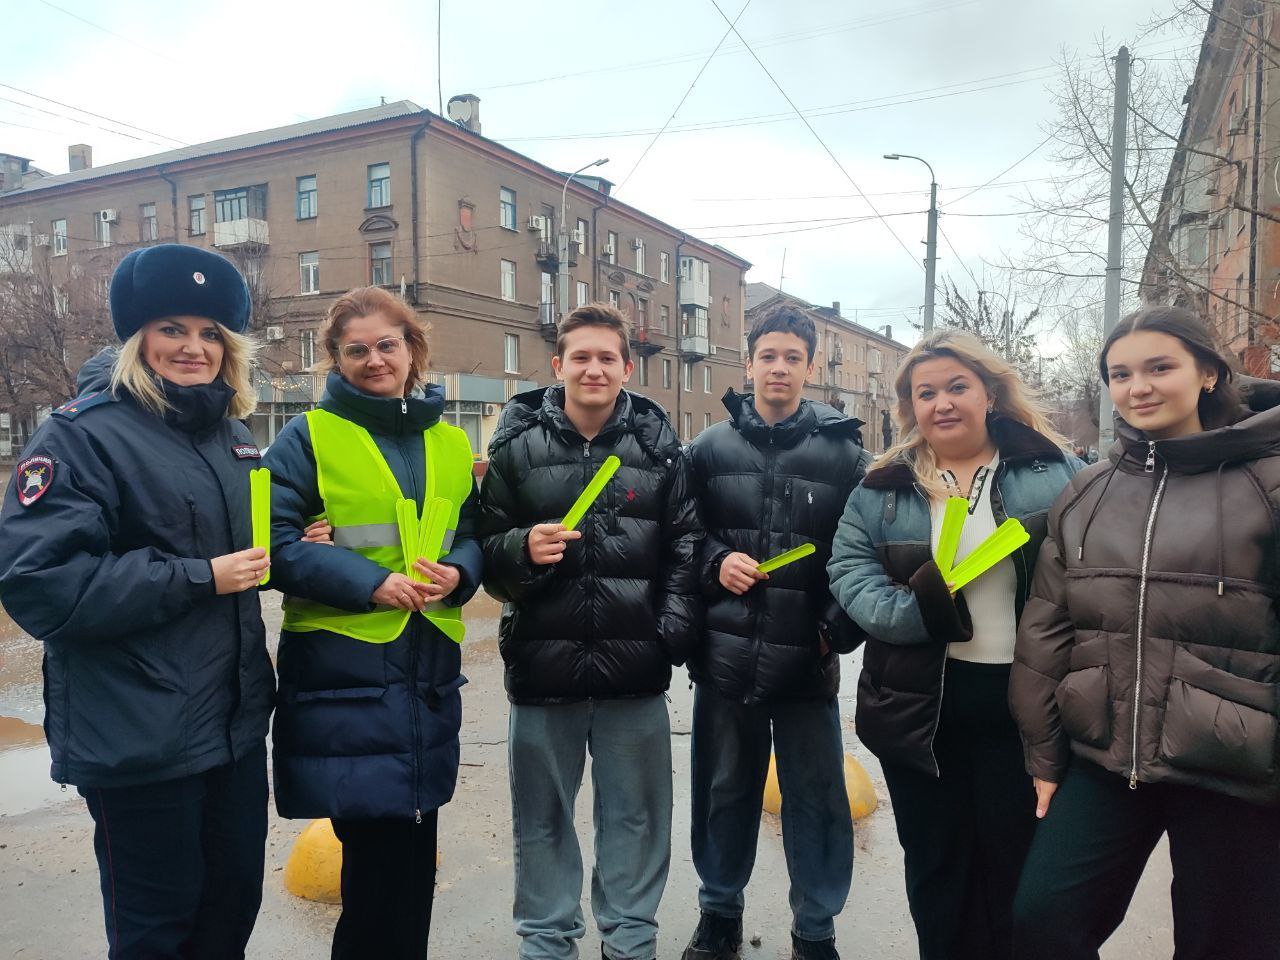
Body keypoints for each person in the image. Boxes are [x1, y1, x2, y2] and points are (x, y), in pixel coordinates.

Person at [0, 244, 275, 959]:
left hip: (231, 733)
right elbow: (41, 582)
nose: (194, 347)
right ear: (136, 339)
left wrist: (283, 538)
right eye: (172, 328)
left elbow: (230, 554)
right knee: (157, 930)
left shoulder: (233, 437)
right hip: (141, 737)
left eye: (211, 332)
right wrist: (198, 576)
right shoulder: (79, 435)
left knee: (229, 913)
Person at [1009, 305, 1280, 960]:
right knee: (1042, 924)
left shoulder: (1269, 482)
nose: (1139, 387)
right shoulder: (1089, 492)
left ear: (1209, 372)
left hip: (1236, 772)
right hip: (1108, 763)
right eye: (1121, 373)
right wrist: (1045, 755)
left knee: (1227, 946)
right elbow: (1046, 629)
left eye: (1160, 367)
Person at [827, 330, 1079, 960]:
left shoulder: (1055, 473)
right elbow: (848, 571)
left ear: (988, 392)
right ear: (910, 406)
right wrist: (920, 616)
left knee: (1017, 861)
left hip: (1022, 699)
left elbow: (1092, 574)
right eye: (926, 392)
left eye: (957, 387)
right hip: (918, 702)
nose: (942, 403)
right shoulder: (882, 487)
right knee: (937, 864)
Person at [264, 286, 482, 960]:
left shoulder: (450, 441)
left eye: (387, 345)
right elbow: (270, 544)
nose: (374, 360)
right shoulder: (309, 436)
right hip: (347, 682)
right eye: (355, 350)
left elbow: (472, 530)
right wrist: (369, 581)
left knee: (414, 869)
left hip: (426, 680)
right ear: (334, 358)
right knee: (375, 878)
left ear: (413, 349)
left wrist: (460, 572)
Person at [479, 303, 701, 960]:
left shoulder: (661, 452)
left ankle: (630, 942)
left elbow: (688, 547)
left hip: (635, 672)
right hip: (543, 671)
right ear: (559, 366)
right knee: (542, 820)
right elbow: (484, 550)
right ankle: (547, 943)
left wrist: (669, 634)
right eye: (581, 356)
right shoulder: (516, 452)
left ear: (627, 368)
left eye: (607, 357)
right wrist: (520, 548)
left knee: (635, 819)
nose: (594, 368)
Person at [681, 305, 869, 960]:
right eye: (769, 355)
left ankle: (815, 930)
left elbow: (862, 557)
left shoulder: (846, 455)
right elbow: (681, 540)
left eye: (793, 357)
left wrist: (832, 633)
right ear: (749, 360)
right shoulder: (707, 450)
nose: (780, 367)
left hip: (806, 666)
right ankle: (718, 915)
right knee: (723, 789)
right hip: (725, 663)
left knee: (816, 801)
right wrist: (713, 561)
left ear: (810, 366)